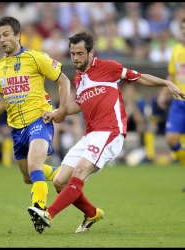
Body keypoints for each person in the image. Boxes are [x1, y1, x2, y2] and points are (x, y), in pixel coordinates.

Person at [27, 29, 185, 234]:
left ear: (91, 53)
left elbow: (139, 78)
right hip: (90, 134)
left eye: (79, 53)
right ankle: (92, 213)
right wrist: (57, 112)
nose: (75, 58)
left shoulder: (108, 67)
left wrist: (166, 82)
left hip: (110, 131)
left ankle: (49, 214)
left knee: (80, 172)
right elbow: (79, 104)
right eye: (73, 53)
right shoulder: (78, 78)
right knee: (59, 181)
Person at [0, 16, 71, 232]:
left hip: (40, 120)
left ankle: (40, 210)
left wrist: (61, 110)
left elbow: (64, 81)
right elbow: (3, 100)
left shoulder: (36, 57)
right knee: (28, 176)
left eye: (6, 35)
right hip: (17, 129)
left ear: (18, 35)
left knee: (34, 165)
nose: (2, 40)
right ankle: (62, 174)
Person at [157, 18, 185, 174]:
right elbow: (172, 74)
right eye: (182, 28)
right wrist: (163, 93)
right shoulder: (176, 49)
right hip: (179, 102)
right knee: (171, 139)